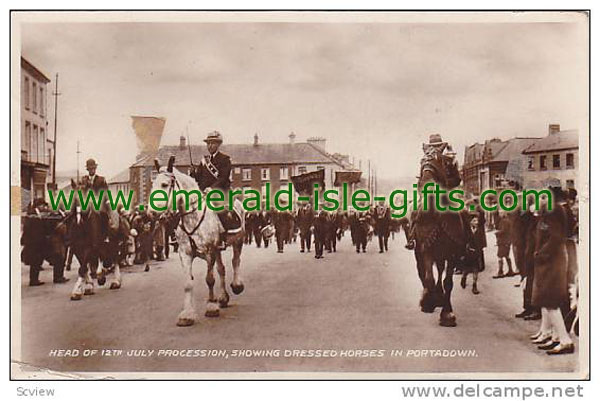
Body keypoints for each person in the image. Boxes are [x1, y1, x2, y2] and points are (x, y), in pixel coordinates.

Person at [530, 187, 574, 355]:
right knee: (548, 301)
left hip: (551, 261)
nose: (538, 200)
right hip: (550, 261)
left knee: (551, 302)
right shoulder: (550, 211)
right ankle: (555, 336)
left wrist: (541, 254)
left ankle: (565, 340)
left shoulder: (553, 210)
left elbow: (555, 237)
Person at [191, 131, 241, 249]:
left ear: (218, 145)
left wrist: (212, 189)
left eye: (212, 143)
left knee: (220, 210)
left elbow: (223, 178)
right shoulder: (204, 161)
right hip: (205, 193)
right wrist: (194, 173)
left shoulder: (225, 159)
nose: (209, 146)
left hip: (221, 192)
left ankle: (223, 238)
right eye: (208, 143)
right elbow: (200, 178)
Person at [493, 210, 515, 278]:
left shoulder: (504, 221)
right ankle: (510, 270)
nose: (500, 214)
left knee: (500, 256)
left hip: (503, 241)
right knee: (506, 256)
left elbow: (503, 231)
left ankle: (500, 272)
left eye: (501, 213)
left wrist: (496, 232)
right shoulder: (508, 220)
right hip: (507, 241)